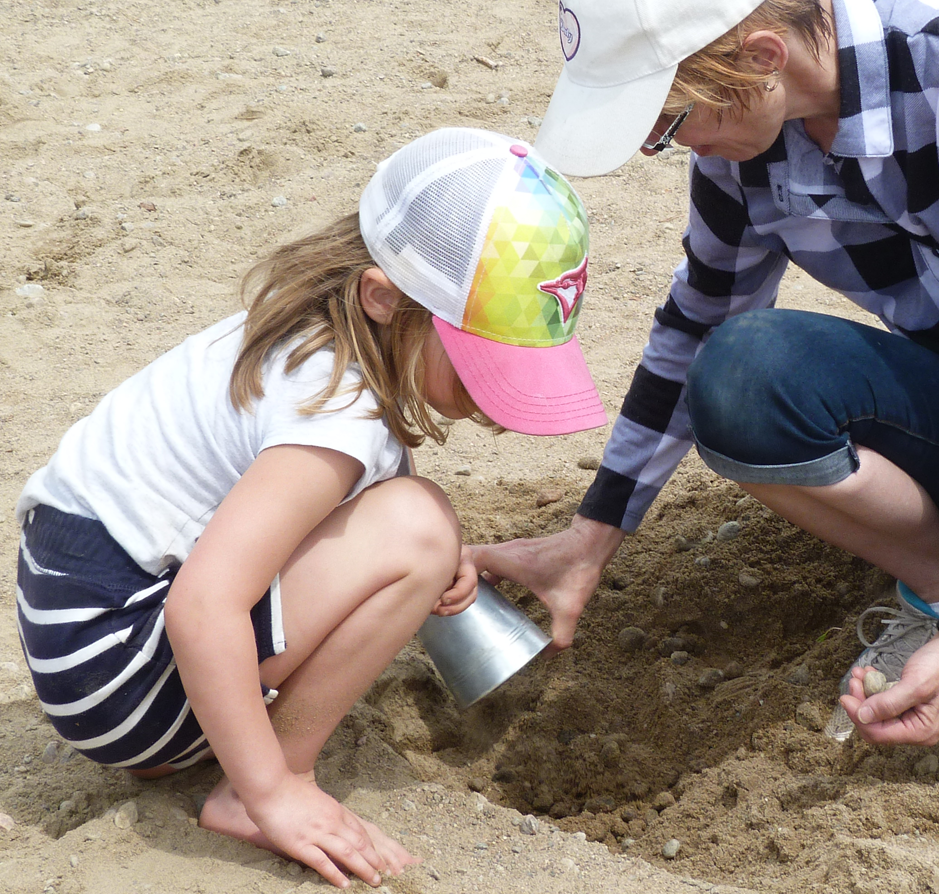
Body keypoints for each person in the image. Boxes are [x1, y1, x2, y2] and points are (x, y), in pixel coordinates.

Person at [470, 0, 939, 748]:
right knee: (747, 371)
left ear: (763, 57)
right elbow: (697, 325)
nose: (676, 146)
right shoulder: (745, 142)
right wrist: (592, 534)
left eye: (671, 122)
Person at [15, 128, 606, 888]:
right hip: (113, 669)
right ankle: (254, 782)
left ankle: (219, 745)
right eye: (480, 362)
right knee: (419, 529)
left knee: (413, 523)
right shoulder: (337, 412)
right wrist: (273, 794)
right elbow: (203, 606)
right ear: (383, 298)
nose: (495, 404)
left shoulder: (320, 344)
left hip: (84, 624)